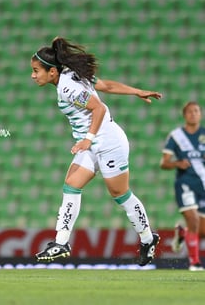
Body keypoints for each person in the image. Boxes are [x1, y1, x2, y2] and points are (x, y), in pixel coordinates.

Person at [30, 37, 162, 266]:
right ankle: (61, 243)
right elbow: (106, 86)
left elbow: (98, 107)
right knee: (71, 184)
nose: (33, 75)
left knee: (120, 194)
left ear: (52, 72)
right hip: (91, 143)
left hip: (108, 142)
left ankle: (148, 239)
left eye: (36, 71)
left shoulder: (67, 86)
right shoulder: (69, 74)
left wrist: (87, 140)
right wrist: (137, 91)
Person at [160, 101, 205, 271]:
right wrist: (177, 163)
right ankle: (195, 262)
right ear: (184, 115)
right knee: (193, 219)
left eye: (196, 111)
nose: (193, 114)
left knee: (201, 231)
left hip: (202, 185)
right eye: (190, 112)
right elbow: (164, 163)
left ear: (200, 114)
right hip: (185, 184)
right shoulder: (177, 136)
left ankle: (183, 233)